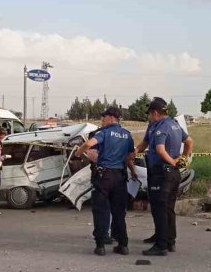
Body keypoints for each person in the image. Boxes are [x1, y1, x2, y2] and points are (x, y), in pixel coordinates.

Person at [75, 107, 137, 256]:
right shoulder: (127, 135)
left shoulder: (103, 132)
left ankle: (101, 245)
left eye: (104, 117)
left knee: (101, 210)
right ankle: (123, 245)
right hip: (120, 177)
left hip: (104, 177)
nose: (102, 120)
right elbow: (131, 156)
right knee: (119, 212)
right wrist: (133, 171)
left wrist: (78, 153)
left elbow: (88, 144)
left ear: (111, 117)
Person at [136, 97, 193, 256]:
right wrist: (183, 159)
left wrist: (173, 162)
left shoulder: (161, 127)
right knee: (167, 207)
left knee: (159, 208)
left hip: (162, 172)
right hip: (172, 174)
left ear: (155, 113)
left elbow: (160, 150)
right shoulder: (174, 125)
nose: (149, 117)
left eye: (149, 114)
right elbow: (189, 142)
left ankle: (161, 245)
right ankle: (168, 239)